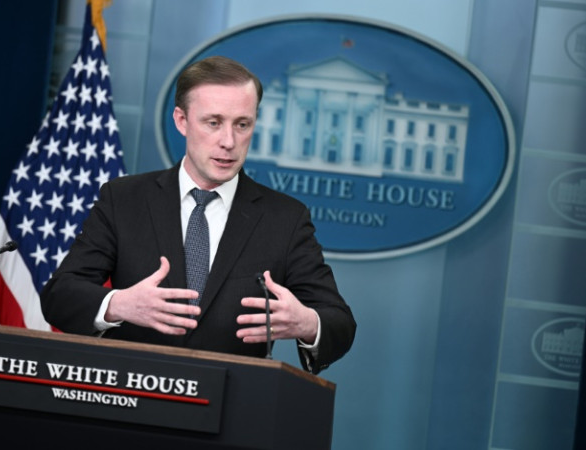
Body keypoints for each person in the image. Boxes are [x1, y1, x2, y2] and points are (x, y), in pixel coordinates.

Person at [40, 55, 356, 374]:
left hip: (230, 408)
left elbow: (339, 323)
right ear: (182, 120)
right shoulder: (124, 199)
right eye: (214, 123)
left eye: (242, 124)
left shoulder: (285, 219)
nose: (229, 142)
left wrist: (306, 323)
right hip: (127, 397)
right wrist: (119, 305)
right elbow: (60, 296)